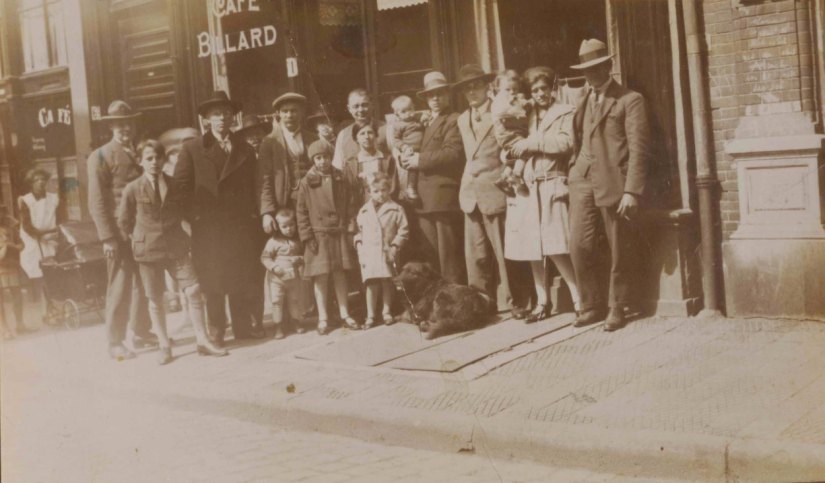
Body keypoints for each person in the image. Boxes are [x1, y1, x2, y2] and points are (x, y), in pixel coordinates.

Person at [118, 140, 227, 364]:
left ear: (163, 160)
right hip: (148, 250)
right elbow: (124, 222)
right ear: (140, 162)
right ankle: (164, 346)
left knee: (194, 289)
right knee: (155, 299)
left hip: (176, 246)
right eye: (148, 158)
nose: (154, 162)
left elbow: (184, 209)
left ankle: (203, 340)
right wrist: (139, 238)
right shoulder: (132, 189)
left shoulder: (174, 184)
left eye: (158, 157)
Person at [568, 39, 652, 332]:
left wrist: (632, 190)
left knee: (618, 247)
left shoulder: (630, 100)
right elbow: (579, 138)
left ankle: (617, 307)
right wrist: (574, 169)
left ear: (608, 66)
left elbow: (639, 149)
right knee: (579, 244)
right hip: (581, 179)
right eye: (585, 69)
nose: (590, 74)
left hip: (614, 181)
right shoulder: (582, 101)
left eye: (595, 67)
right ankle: (591, 304)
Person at [175, 90, 265, 346]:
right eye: (217, 114)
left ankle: (242, 326)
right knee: (212, 278)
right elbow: (180, 188)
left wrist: (251, 216)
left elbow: (252, 185)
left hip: (238, 224)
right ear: (206, 120)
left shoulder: (244, 148)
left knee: (239, 274)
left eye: (227, 113)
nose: (223, 118)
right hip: (209, 226)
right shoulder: (192, 149)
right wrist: (193, 218)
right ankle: (216, 329)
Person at [503, 66, 582, 323]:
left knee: (557, 247)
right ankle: (542, 302)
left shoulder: (565, 112)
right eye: (535, 90)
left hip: (552, 184)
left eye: (544, 89)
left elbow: (564, 143)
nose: (539, 94)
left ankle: (579, 299)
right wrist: (509, 153)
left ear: (552, 88)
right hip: (528, 188)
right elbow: (510, 140)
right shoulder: (527, 115)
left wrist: (530, 143)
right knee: (532, 249)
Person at [454, 64, 525, 319]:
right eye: (467, 89)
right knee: (476, 255)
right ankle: (481, 306)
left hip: (495, 189)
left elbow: (513, 145)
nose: (472, 92)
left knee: (503, 252)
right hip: (470, 194)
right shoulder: (462, 119)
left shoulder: (500, 112)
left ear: (487, 87)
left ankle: (513, 301)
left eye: (476, 86)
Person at [87, 100, 156, 360]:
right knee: (119, 285)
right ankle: (115, 342)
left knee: (144, 282)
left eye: (128, 123)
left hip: (144, 229)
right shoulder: (100, 156)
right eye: (119, 124)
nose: (124, 128)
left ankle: (141, 332)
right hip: (118, 233)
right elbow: (96, 202)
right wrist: (107, 238)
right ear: (111, 127)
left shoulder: (142, 152)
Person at [398, 71, 466, 284]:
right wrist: (405, 156)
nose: (435, 99)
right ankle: (439, 302)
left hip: (442, 196)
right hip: (423, 199)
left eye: (440, 94)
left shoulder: (453, 119)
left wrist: (419, 160)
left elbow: (452, 153)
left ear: (448, 95)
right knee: (432, 256)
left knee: (448, 258)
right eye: (430, 96)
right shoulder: (424, 121)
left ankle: (454, 302)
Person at [296, 140, 360, 335]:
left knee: (340, 274)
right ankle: (323, 318)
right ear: (313, 160)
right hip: (319, 234)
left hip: (338, 232)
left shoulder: (340, 177)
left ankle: (344, 313)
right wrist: (307, 236)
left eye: (325, 157)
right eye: (318, 158)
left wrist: (350, 226)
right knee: (320, 277)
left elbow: (349, 203)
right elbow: (301, 211)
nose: (323, 161)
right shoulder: (307, 182)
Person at [354, 173, 409, 329]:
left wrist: (395, 246)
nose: (380, 194)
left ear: (389, 190)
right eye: (376, 191)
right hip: (369, 253)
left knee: (387, 281)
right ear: (369, 192)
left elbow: (403, 231)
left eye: (384, 190)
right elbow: (359, 232)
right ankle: (370, 315)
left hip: (387, 253)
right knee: (371, 284)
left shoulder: (396, 209)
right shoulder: (364, 211)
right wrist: (359, 246)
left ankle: (386, 311)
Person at [259, 93, 319, 231]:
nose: (289, 115)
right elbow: (264, 180)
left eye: (294, 110)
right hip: (284, 206)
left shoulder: (313, 139)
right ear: (278, 114)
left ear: (302, 113)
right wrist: (267, 212)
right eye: (285, 111)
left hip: (311, 202)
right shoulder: (269, 142)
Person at [260, 208, 305, 340]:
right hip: (277, 278)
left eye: (291, 225)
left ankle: (296, 323)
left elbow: (305, 256)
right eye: (284, 226)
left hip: (293, 277)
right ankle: (278, 327)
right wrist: (274, 267)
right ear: (278, 227)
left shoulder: (298, 241)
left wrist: (300, 259)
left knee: (294, 300)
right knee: (276, 301)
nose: (289, 229)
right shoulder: (273, 242)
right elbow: (264, 258)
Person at [18, 168, 59, 304]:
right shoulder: (26, 200)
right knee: (37, 271)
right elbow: (27, 226)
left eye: (43, 179)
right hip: (33, 240)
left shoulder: (53, 198)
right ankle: (42, 304)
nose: (41, 182)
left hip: (50, 238)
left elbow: (59, 217)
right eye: (37, 180)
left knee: (53, 270)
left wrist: (54, 233)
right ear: (32, 183)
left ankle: (54, 303)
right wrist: (41, 236)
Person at [491, 70, 531, 196]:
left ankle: (504, 178)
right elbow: (508, 112)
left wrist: (521, 101)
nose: (512, 92)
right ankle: (517, 175)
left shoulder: (511, 99)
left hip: (512, 133)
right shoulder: (498, 101)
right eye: (507, 90)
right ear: (498, 89)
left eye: (515, 89)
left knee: (515, 156)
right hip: (507, 134)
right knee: (524, 151)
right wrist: (522, 107)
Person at [332, 88, 388, 170]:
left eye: (364, 105)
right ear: (349, 109)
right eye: (356, 106)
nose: (360, 110)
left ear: (372, 105)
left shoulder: (386, 129)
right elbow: (339, 166)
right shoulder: (343, 135)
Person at [345, 122, 398, 205]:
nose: (367, 137)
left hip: (385, 206)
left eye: (370, 133)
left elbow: (393, 187)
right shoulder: (351, 164)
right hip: (362, 208)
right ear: (356, 139)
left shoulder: (387, 159)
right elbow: (350, 192)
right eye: (362, 134)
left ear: (376, 136)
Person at [388, 95, 426, 201]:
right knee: (413, 169)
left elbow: (425, 117)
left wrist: (424, 118)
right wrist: (404, 147)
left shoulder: (417, 118)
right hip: (410, 150)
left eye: (410, 109)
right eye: (404, 112)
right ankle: (411, 187)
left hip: (424, 148)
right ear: (397, 114)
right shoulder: (398, 125)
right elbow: (396, 140)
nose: (409, 113)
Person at [0, 205, 26, 338]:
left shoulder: (11, 229)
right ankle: (4, 328)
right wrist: (4, 248)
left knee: (17, 295)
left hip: (13, 266)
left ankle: (20, 324)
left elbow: (22, 245)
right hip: (0, 268)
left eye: (2, 212)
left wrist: (13, 246)